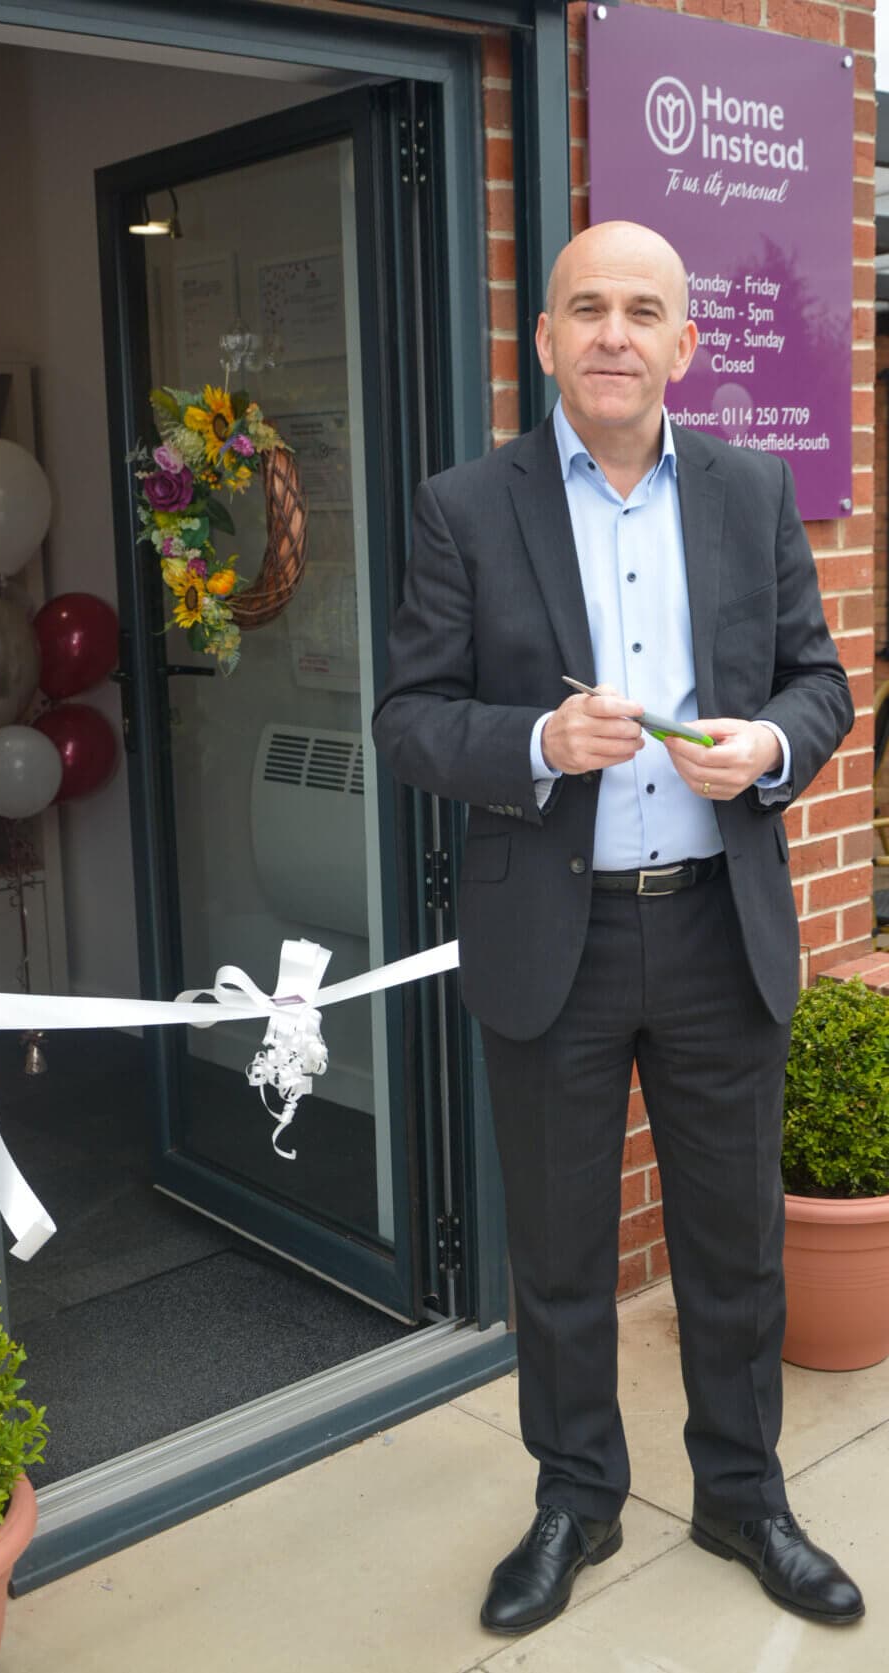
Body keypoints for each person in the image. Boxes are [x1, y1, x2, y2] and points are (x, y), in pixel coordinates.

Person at [372, 221, 863, 1634]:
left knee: (734, 1245)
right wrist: (536, 736)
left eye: (645, 310)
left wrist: (766, 748)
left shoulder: (752, 490)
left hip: (719, 929)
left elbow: (819, 680)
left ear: (684, 345)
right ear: (545, 340)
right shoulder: (465, 505)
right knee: (563, 1248)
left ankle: (743, 1494)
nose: (614, 333)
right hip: (555, 938)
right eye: (587, 307)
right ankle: (577, 1496)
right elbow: (407, 719)